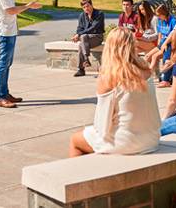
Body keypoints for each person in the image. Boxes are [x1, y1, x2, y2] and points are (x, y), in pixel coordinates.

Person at [69, 28, 161, 156]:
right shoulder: (145, 70)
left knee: (75, 140)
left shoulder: (109, 77)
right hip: (151, 138)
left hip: (126, 142)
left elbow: (101, 126)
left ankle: (82, 175)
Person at [0, 0, 41, 108]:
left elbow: (11, 9)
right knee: (3, 64)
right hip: (4, 31)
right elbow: (11, 11)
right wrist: (29, 6)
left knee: (7, 64)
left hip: (9, 30)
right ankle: (1, 97)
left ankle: (5, 94)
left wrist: (28, 6)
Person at [144, 5, 176, 88]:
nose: (157, 17)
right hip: (162, 44)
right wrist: (159, 44)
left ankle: (148, 76)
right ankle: (155, 75)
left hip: (170, 45)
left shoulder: (173, 21)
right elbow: (160, 34)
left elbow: (175, 35)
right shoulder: (160, 20)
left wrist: (164, 45)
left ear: (164, 13)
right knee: (147, 56)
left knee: (155, 57)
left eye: (159, 15)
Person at [72, 0, 105, 77]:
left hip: (97, 37)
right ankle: (83, 65)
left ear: (91, 5)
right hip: (86, 38)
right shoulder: (82, 15)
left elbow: (93, 27)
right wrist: (77, 34)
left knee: (83, 38)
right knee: (81, 45)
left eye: (88, 6)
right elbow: (79, 28)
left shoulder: (99, 14)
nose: (86, 8)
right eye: (84, 7)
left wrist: (79, 35)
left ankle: (82, 67)